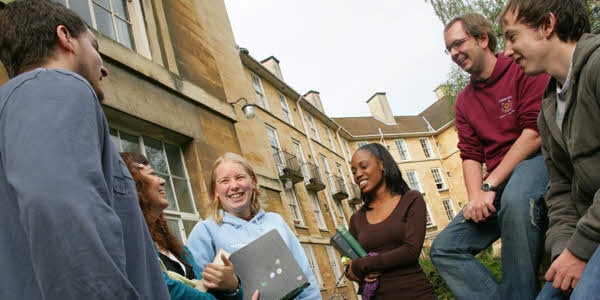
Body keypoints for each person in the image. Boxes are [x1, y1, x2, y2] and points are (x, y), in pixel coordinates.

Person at [0, 1, 169, 299]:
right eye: (94, 46)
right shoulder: (56, 86)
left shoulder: (18, 106)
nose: (103, 67)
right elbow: (56, 202)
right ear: (65, 38)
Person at [429, 12, 551, 300]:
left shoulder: (521, 68)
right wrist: (475, 197)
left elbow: (534, 133)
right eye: (449, 49)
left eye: (459, 44)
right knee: (444, 248)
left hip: (533, 163)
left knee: (515, 198)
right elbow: (470, 154)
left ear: (483, 38)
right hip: (496, 185)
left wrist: (489, 185)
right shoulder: (464, 101)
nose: (454, 53)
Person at [499, 0, 600, 298]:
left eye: (513, 36)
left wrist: (580, 247)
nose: (506, 51)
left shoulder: (596, 68)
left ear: (547, 25)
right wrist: (563, 250)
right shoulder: (548, 109)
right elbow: (560, 191)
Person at [186, 152, 321, 300]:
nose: (234, 186)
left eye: (240, 177)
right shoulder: (205, 231)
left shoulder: (276, 221)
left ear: (253, 182)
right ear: (215, 190)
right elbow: (198, 294)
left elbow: (306, 276)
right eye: (224, 181)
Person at [121, 152, 250, 300]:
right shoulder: (129, 241)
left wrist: (233, 287)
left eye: (240, 177)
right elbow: (167, 290)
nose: (162, 181)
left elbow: (204, 290)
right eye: (152, 174)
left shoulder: (179, 249)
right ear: (133, 184)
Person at [345, 143, 435, 300]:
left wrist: (363, 265)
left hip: (416, 294)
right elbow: (349, 262)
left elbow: (411, 251)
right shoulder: (356, 219)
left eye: (363, 166)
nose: (358, 175)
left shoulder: (411, 199)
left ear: (381, 165)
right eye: (353, 172)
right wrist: (350, 272)